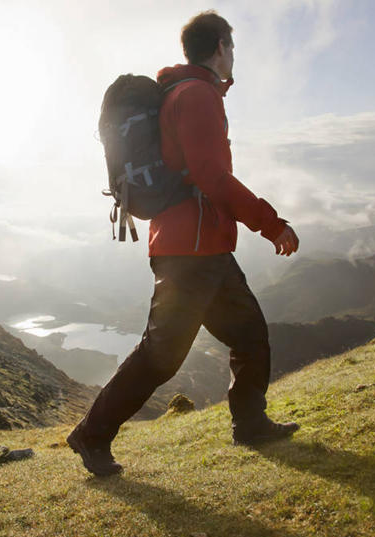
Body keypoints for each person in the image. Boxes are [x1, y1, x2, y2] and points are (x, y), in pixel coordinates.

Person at [68, 10, 300, 476]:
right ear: (219, 47)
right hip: (191, 250)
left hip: (199, 245)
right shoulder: (197, 95)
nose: (234, 56)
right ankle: (90, 436)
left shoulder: (182, 91)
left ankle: (251, 424)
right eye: (231, 47)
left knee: (250, 334)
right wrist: (270, 223)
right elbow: (212, 176)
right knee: (161, 356)